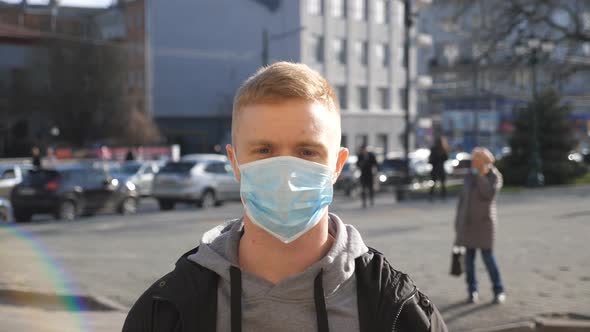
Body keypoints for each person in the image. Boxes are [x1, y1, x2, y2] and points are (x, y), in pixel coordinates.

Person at [123, 62, 447, 332]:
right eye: (264, 150)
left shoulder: (398, 310)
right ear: (235, 163)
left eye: (307, 152)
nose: (286, 172)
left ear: (337, 165)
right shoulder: (166, 312)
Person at [454, 147, 506, 304]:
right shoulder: (469, 176)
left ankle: (498, 290)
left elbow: (488, 194)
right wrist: (458, 223)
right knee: (469, 261)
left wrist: (482, 176)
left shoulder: (494, 177)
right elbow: (463, 201)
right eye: (473, 160)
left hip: (484, 225)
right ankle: (472, 291)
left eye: (476, 161)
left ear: (484, 162)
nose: (473, 164)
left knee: (488, 258)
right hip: (468, 225)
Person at [428, 136, 449, 201]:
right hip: (439, 169)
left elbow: (445, 158)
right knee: (440, 183)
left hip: (436, 169)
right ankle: (441, 196)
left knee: (437, 183)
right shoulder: (440, 149)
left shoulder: (439, 149)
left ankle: (434, 196)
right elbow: (446, 158)